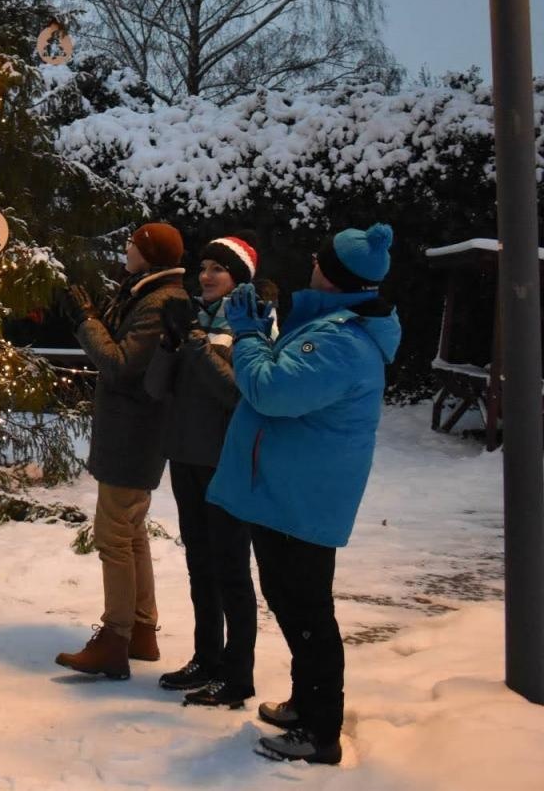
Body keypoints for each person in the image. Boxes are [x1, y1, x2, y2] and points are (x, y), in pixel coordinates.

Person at [209, 224, 400, 766]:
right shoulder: (331, 326)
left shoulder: (340, 341)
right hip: (289, 493)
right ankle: (305, 704)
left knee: (308, 612)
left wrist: (246, 335)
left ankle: (321, 731)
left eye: (320, 260)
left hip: (304, 499)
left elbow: (271, 390)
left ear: (332, 275)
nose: (311, 264)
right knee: (292, 603)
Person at [55, 222, 188, 680]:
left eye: (132, 243)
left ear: (149, 255)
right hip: (134, 432)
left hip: (134, 434)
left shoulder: (158, 301)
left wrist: (86, 321)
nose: (125, 248)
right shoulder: (147, 294)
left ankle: (115, 638)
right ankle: (142, 629)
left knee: (114, 535)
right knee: (131, 533)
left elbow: (121, 365)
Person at [145, 236, 264, 708]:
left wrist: (193, 342)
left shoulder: (252, 323)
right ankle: (207, 657)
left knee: (231, 568)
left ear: (239, 276)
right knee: (200, 565)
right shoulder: (194, 320)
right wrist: (169, 345)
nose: (207, 275)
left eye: (219, 268)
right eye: (205, 267)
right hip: (187, 455)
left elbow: (235, 393)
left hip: (227, 461)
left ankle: (239, 673)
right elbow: (157, 388)